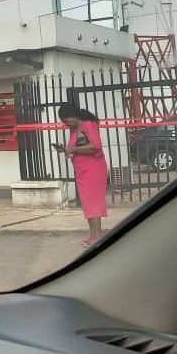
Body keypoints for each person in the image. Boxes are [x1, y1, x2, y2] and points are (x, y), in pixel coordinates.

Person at [55, 104, 109, 247]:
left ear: (74, 116)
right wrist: (67, 151)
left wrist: (73, 149)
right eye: (64, 122)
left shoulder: (88, 125)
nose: (66, 124)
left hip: (94, 169)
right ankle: (93, 235)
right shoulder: (74, 130)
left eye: (67, 120)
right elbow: (77, 149)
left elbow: (95, 146)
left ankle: (97, 237)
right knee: (88, 204)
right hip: (82, 170)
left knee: (94, 202)